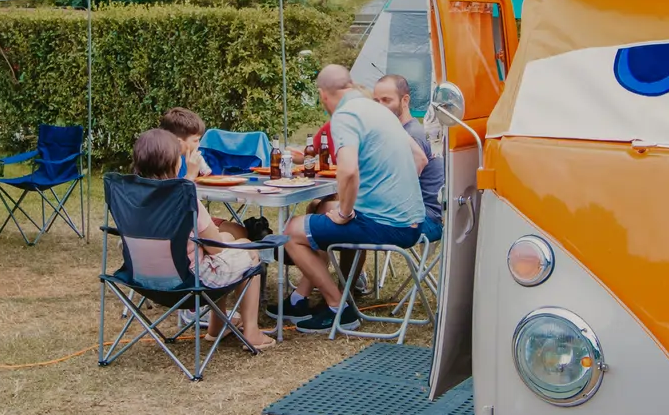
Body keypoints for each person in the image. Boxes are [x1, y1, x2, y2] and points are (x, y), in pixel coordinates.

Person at [282, 65, 424, 331]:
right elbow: (420, 158)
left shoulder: (345, 115)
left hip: (385, 224)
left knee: (291, 232)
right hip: (411, 221)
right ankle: (299, 299)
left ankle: (339, 308)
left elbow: (347, 171)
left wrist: (346, 213)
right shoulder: (378, 110)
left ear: (324, 95)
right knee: (325, 210)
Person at [132, 128, 272, 349]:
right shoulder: (185, 196)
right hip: (187, 281)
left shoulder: (132, 197)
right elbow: (216, 249)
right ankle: (252, 333)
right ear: (174, 164)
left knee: (213, 247)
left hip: (142, 278)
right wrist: (235, 242)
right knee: (244, 247)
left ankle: (218, 326)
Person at [374, 73, 444, 243]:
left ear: (405, 101)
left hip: (426, 220)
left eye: (386, 100)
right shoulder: (404, 131)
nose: (380, 107)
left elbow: (398, 188)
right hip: (418, 213)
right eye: (376, 102)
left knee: (348, 220)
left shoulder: (411, 135)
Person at [160, 106, 213, 179]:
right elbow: (171, 189)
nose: (199, 144)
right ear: (178, 142)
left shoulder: (177, 157)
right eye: (195, 140)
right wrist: (190, 175)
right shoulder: (162, 162)